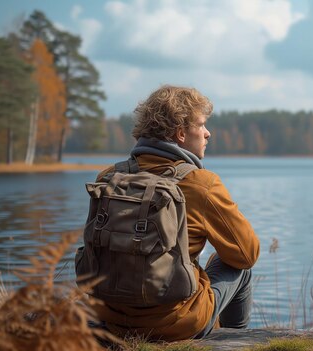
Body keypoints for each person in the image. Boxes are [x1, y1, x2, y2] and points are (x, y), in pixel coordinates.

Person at [92, 85, 260, 341]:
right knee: (236, 267)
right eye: (202, 125)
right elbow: (247, 255)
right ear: (181, 133)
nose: (208, 134)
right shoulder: (201, 183)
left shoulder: (109, 178)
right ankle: (233, 343)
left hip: (111, 321)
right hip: (176, 325)